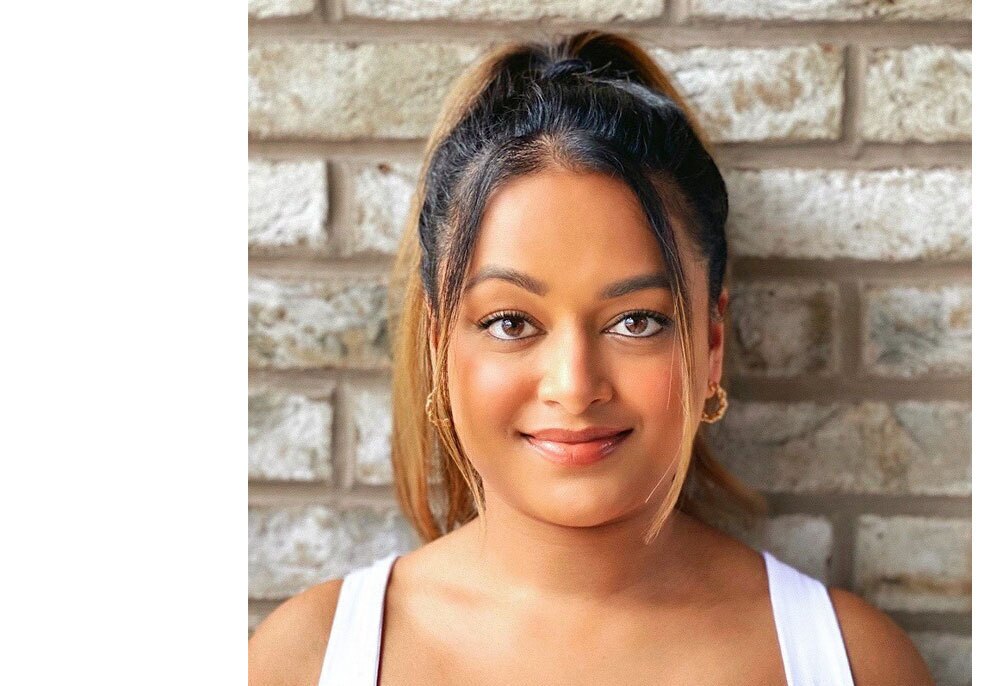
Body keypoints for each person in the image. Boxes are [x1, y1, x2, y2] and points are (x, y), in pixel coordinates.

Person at [249, 30, 934, 685]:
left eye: (636, 322)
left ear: (712, 343)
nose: (574, 387)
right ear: (438, 345)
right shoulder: (303, 662)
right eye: (511, 321)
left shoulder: (856, 664)